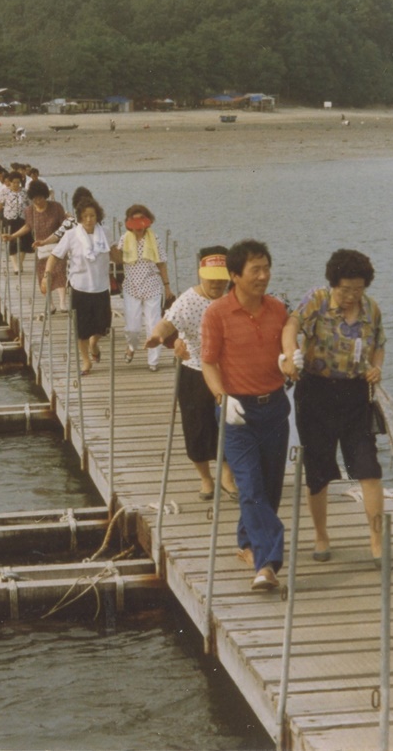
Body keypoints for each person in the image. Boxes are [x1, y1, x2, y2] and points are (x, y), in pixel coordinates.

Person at [281, 249, 386, 564]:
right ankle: (321, 535)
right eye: (346, 289)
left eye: (359, 288)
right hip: (316, 393)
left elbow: (379, 345)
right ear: (333, 283)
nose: (352, 295)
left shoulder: (372, 309)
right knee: (319, 471)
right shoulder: (317, 300)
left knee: (369, 469)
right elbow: (291, 325)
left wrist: (377, 369)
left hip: (356, 396)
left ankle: (376, 538)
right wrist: (289, 354)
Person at [200, 240, 293, 592]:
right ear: (235, 275)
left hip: (274, 409)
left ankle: (246, 540)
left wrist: (291, 363)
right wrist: (223, 398)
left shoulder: (277, 309)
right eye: (255, 270)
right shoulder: (217, 314)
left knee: (268, 488)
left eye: (266, 268)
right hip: (236, 413)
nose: (263, 276)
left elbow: (286, 353)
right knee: (250, 485)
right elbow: (208, 363)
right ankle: (267, 564)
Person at [144, 247, 238, 500]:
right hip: (195, 368)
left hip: (229, 373)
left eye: (222, 277)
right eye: (211, 277)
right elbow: (168, 323)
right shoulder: (188, 299)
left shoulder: (236, 297)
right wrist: (158, 335)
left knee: (229, 426)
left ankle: (227, 476)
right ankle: (206, 478)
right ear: (200, 275)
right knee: (196, 426)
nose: (217, 283)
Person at [46, 198, 112, 376]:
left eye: (92, 215)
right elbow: (55, 255)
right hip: (80, 288)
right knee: (81, 330)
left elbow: (115, 253)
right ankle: (85, 361)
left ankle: (94, 344)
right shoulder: (71, 235)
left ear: (97, 216)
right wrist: (47, 274)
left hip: (101, 287)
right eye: (85, 216)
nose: (89, 219)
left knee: (103, 326)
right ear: (80, 218)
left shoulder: (106, 232)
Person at [114, 204, 174, 371]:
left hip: (152, 285)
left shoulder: (155, 239)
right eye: (135, 221)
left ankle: (153, 361)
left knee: (153, 324)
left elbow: (161, 264)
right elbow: (118, 260)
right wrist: (112, 252)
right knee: (132, 327)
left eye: (142, 220)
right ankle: (132, 347)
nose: (139, 226)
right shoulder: (124, 238)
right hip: (131, 286)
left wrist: (167, 286)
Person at [5, 180, 67, 313]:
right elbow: (28, 226)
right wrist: (12, 236)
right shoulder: (29, 210)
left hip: (57, 245)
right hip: (40, 246)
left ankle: (62, 302)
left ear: (45, 195)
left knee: (60, 271)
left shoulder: (56, 207)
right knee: (44, 274)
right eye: (34, 199)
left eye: (40, 198)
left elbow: (64, 225)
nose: (37, 201)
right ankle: (50, 304)